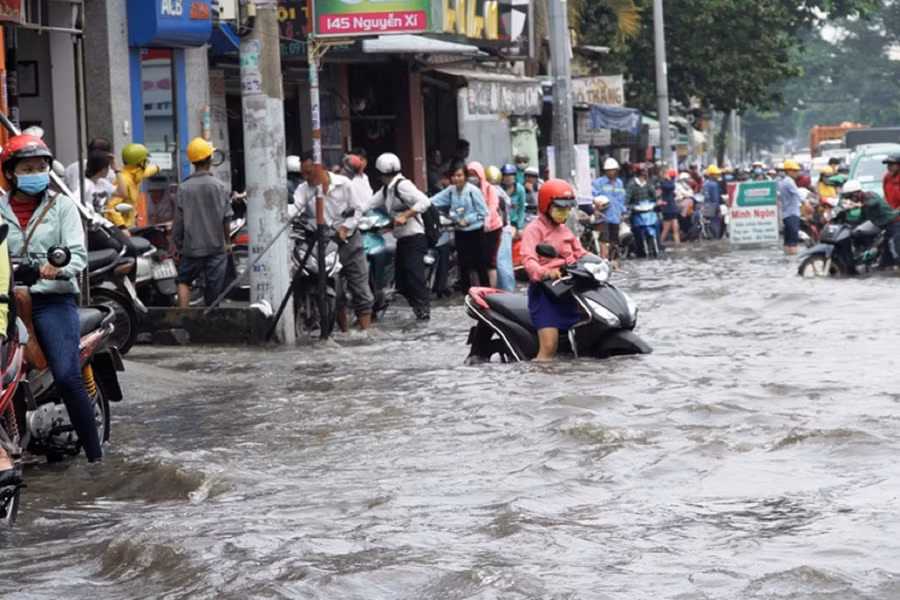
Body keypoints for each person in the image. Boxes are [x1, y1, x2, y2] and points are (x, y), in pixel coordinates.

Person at [0, 134, 101, 465]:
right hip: (7, 299)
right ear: (11, 173)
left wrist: (55, 269)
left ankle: (96, 460)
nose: (36, 172)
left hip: (51, 301)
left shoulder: (62, 206)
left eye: (41, 166)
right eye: (28, 167)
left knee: (68, 375)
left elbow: (76, 253)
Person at [295, 153, 373, 331]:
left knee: (361, 290)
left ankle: (366, 333)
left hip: (349, 242)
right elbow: (295, 208)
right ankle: (344, 331)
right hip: (324, 245)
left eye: (309, 173)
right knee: (335, 292)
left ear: (320, 167)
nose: (306, 178)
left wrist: (345, 228)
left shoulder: (344, 184)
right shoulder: (304, 189)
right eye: (303, 174)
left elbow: (357, 209)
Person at [520, 179, 587, 361]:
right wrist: (545, 272)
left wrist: (602, 263)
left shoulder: (565, 230)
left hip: (568, 290)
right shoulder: (534, 229)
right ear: (545, 205)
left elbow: (581, 253)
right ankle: (539, 384)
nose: (564, 212)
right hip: (545, 292)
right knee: (549, 348)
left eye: (567, 209)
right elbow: (528, 259)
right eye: (559, 208)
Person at [369, 152, 432, 320]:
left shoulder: (402, 186)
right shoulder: (386, 190)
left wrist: (405, 215)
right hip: (403, 240)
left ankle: (424, 313)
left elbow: (425, 202)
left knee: (414, 278)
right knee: (402, 282)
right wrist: (352, 211)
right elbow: (368, 203)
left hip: (415, 238)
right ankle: (416, 312)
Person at [173, 138, 233, 307]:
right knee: (215, 290)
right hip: (216, 247)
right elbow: (226, 218)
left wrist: (177, 245)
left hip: (193, 248)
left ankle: (184, 319)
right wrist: (227, 242)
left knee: (183, 280)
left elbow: (179, 220)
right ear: (209, 160)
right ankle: (212, 325)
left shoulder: (184, 188)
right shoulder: (219, 186)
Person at [429, 160, 489, 292]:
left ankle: (487, 294)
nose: (457, 179)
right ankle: (467, 294)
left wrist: (468, 220)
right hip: (460, 232)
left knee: (480, 265)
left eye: (460, 175)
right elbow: (435, 200)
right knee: (463, 264)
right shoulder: (451, 191)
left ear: (465, 176)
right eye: (454, 176)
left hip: (475, 232)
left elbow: (483, 212)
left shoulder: (473, 191)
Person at [841, 179, 900, 265]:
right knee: (885, 260)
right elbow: (861, 219)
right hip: (886, 228)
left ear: (857, 193)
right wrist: (846, 220)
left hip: (896, 223)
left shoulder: (870, 195)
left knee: (896, 249)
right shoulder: (863, 206)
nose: (850, 200)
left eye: (850, 197)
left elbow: (874, 202)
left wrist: (858, 205)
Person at [106, 143, 159, 231]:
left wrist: (157, 168)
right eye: (145, 160)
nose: (146, 163)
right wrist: (122, 227)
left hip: (128, 225)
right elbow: (112, 208)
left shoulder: (135, 174)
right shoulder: (124, 180)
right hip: (118, 228)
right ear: (140, 163)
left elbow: (148, 171)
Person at [468, 161, 504, 288]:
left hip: (492, 228)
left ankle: (491, 292)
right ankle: (477, 292)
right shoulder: (467, 191)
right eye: (470, 174)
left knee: (489, 261)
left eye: (474, 174)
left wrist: (486, 219)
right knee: (474, 262)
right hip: (473, 229)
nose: (472, 178)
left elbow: (493, 206)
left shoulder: (489, 189)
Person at [591, 158, 627, 260]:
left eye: (613, 170)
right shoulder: (599, 183)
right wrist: (596, 205)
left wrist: (623, 213)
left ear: (616, 170)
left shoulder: (619, 183)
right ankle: (603, 260)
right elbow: (593, 196)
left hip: (615, 216)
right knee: (604, 239)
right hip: (602, 218)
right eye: (608, 170)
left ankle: (612, 259)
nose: (611, 172)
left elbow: (621, 199)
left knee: (614, 240)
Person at [778, 159, 805, 255]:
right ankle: (793, 264)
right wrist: (806, 203)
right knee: (793, 242)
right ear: (789, 171)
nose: (797, 173)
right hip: (792, 214)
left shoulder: (783, 182)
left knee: (788, 242)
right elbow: (798, 194)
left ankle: (788, 263)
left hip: (786, 215)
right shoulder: (789, 182)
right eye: (795, 171)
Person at [659, 168, 680, 244]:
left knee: (676, 229)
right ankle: (659, 244)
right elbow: (670, 187)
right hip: (667, 209)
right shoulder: (663, 182)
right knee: (666, 230)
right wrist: (669, 180)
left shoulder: (669, 183)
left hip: (672, 208)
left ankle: (678, 245)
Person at [703, 165, 725, 239]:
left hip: (705, 208)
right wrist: (718, 211)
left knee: (708, 227)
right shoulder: (714, 185)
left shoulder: (705, 184)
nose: (718, 176)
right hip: (713, 209)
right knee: (715, 229)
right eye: (716, 174)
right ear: (712, 175)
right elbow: (716, 199)